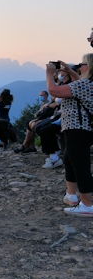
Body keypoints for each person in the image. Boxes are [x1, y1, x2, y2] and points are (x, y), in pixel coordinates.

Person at [47, 55, 93, 215]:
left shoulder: (85, 84)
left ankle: (87, 204)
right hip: (81, 129)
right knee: (69, 159)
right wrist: (69, 71)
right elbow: (79, 81)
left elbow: (53, 90)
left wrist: (49, 73)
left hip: (77, 129)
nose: (80, 67)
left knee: (81, 165)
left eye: (83, 64)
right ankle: (71, 195)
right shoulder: (87, 83)